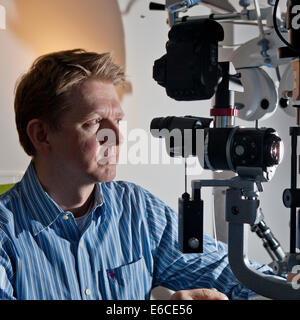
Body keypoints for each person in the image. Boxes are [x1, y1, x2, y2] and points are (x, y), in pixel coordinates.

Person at [0, 49, 272, 300]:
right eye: (94, 122)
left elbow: (232, 273)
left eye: (117, 121)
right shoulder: (5, 236)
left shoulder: (137, 210)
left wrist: (286, 285)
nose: (117, 137)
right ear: (41, 135)